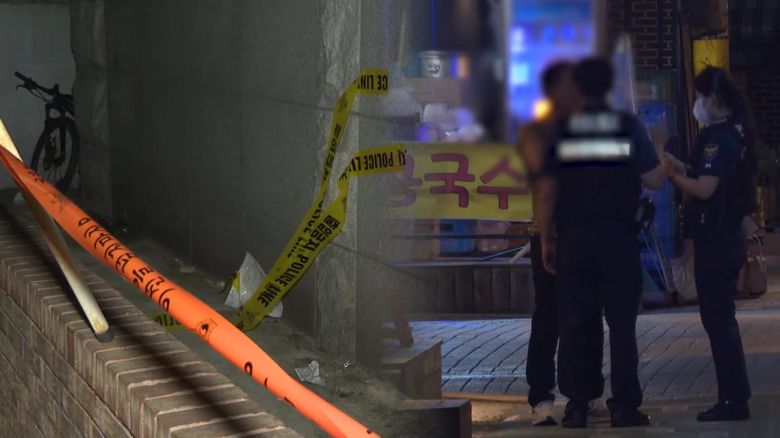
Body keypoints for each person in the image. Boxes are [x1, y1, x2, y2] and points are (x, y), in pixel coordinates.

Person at [536, 56, 666, 428]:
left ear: (578, 88)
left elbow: (547, 192)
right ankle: (624, 406)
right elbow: (655, 180)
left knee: (576, 322)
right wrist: (659, 146)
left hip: (574, 238)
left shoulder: (562, 130)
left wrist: (546, 239)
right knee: (622, 325)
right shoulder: (627, 126)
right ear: (609, 87)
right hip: (618, 237)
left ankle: (577, 405)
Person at [664, 66, 754, 421]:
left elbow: (705, 188)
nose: (697, 104)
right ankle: (733, 396)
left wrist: (672, 175)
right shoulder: (735, 130)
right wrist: (681, 166)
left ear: (714, 100)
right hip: (725, 238)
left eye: (700, 98)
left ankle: (733, 400)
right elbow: (704, 174)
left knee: (718, 320)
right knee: (720, 319)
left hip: (718, 239)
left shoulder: (720, 137)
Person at [517, 61, 605, 426]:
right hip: (549, 233)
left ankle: (588, 392)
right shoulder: (539, 131)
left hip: (582, 231)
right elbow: (543, 187)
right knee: (550, 314)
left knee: (588, 312)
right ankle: (542, 395)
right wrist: (545, 236)